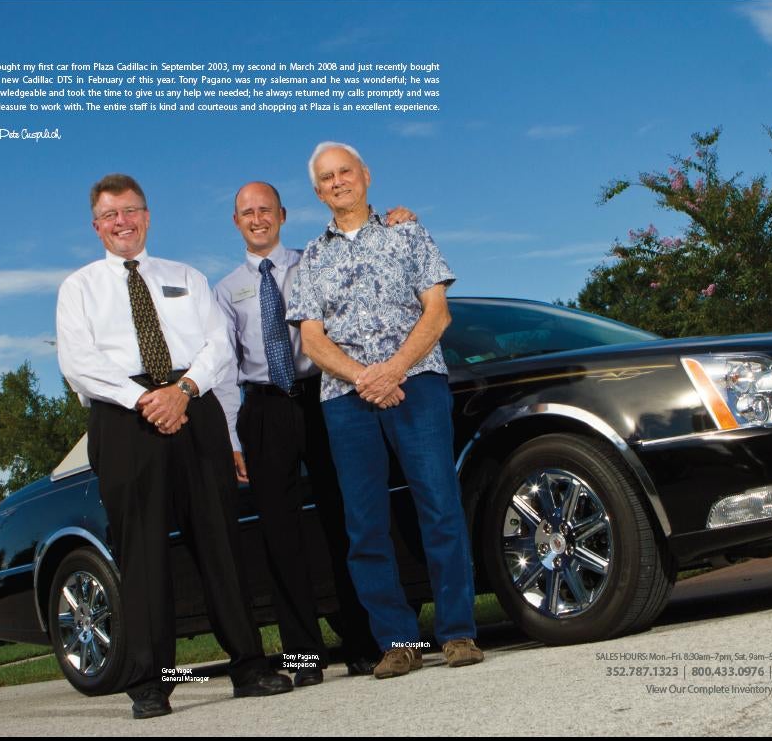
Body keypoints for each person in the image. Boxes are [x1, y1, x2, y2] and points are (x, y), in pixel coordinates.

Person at [56, 174, 292, 719]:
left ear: (147, 216)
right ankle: (149, 683)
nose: (123, 222)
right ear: (97, 226)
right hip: (123, 420)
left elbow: (217, 345)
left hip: (194, 407)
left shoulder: (186, 276)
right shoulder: (79, 289)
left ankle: (249, 667)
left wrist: (182, 391)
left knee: (221, 542)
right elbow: (79, 363)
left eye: (132, 211)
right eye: (112, 215)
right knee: (141, 553)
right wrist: (145, 400)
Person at [287, 142, 484, 680]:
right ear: (317, 191)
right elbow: (311, 339)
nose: (337, 182)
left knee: (438, 504)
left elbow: (437, 313)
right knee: (365, 523)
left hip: (416, 383)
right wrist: (364, 378)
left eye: (344, 171)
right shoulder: (311, 259)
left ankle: (458, 632)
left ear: (365, 176)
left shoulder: (407, 233)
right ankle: (397, 641)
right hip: (346, 400)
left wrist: (394, 369)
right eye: (326, 177)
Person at [210, 181, 416, 685]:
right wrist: (235, 439)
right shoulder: (225, 288)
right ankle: (304, 658)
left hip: (324, 395)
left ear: (281, 214)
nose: (257, 218)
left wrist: (397, 222)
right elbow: (225, 369)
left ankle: (366, 645)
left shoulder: (315, 259)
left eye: (265, 209)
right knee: (279, 534)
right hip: (263, 409)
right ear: (236, 222)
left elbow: (360, 250)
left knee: (347, 516)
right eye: (246, 212)